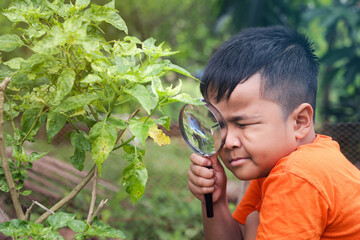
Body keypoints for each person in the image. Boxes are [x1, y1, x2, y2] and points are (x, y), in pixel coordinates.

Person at [187, 26, 360, 240]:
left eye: (243, 124)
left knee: (254, 221)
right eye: (220, 125)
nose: (228, 141)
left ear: (300, 121)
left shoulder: (297, 174)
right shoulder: (278, 164)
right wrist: (214, 201)